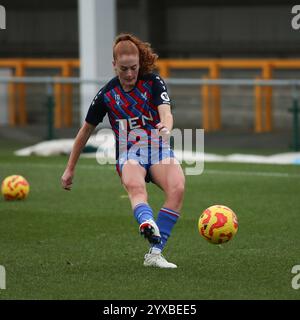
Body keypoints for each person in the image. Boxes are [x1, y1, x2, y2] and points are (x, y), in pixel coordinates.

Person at [61, 33, 185, 268]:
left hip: (158, 149)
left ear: (140, 62)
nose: (129, 74)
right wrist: (69, 169)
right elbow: (85, 131)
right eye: (124, 69)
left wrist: (166, 128)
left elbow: (166, 112)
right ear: (114, 65)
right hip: (130, 153)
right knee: (135, 186)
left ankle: (155, 254)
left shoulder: (153, 82)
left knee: (177, 187)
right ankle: (147, 222)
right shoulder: (107, 94)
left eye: (134, 68)